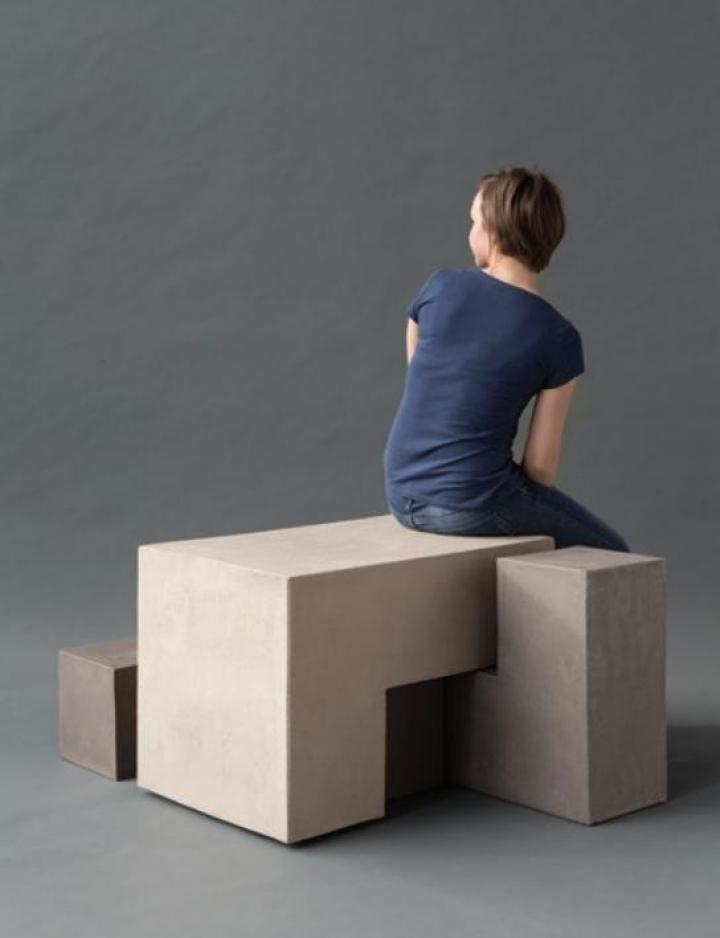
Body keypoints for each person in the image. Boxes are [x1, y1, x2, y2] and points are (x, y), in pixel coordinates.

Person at [383, 165, 630, 551]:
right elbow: (540, 469)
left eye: (473, 222)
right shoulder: (558, 336)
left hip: (400, 493)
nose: (470, 232)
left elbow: (420, 374)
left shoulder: (440, 287)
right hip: (469, 506)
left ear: (493, 231)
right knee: (615, 554)